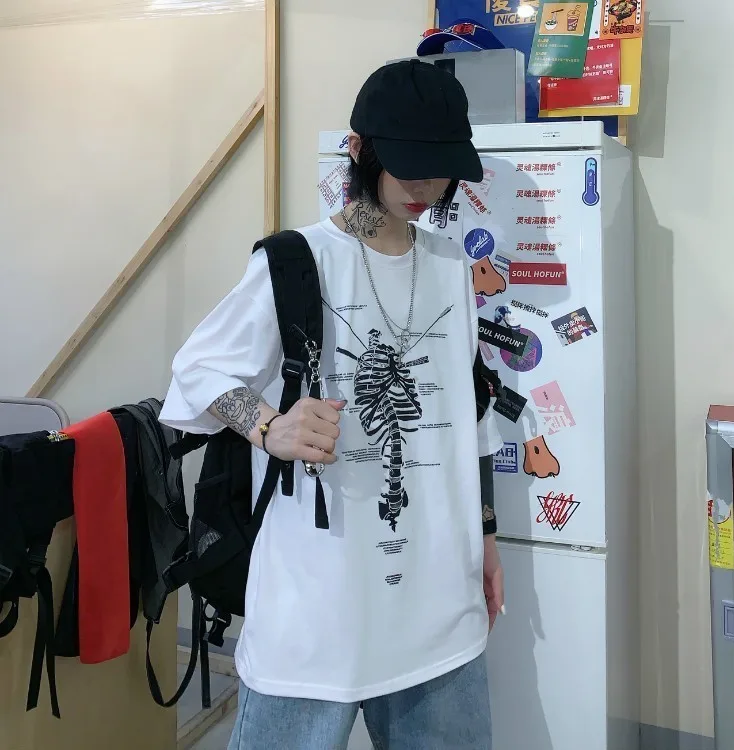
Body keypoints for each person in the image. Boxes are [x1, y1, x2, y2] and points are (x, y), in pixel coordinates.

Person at [159, 59, 505, 750]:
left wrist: (487, 538)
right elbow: (197, 368)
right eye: (407, 165)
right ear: (358, 149)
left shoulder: (450, 268)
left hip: (441, 603)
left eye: (438, 169)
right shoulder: (296, 262)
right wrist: (269, 426)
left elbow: (471, 415)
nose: (424, 187)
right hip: (315, 608)